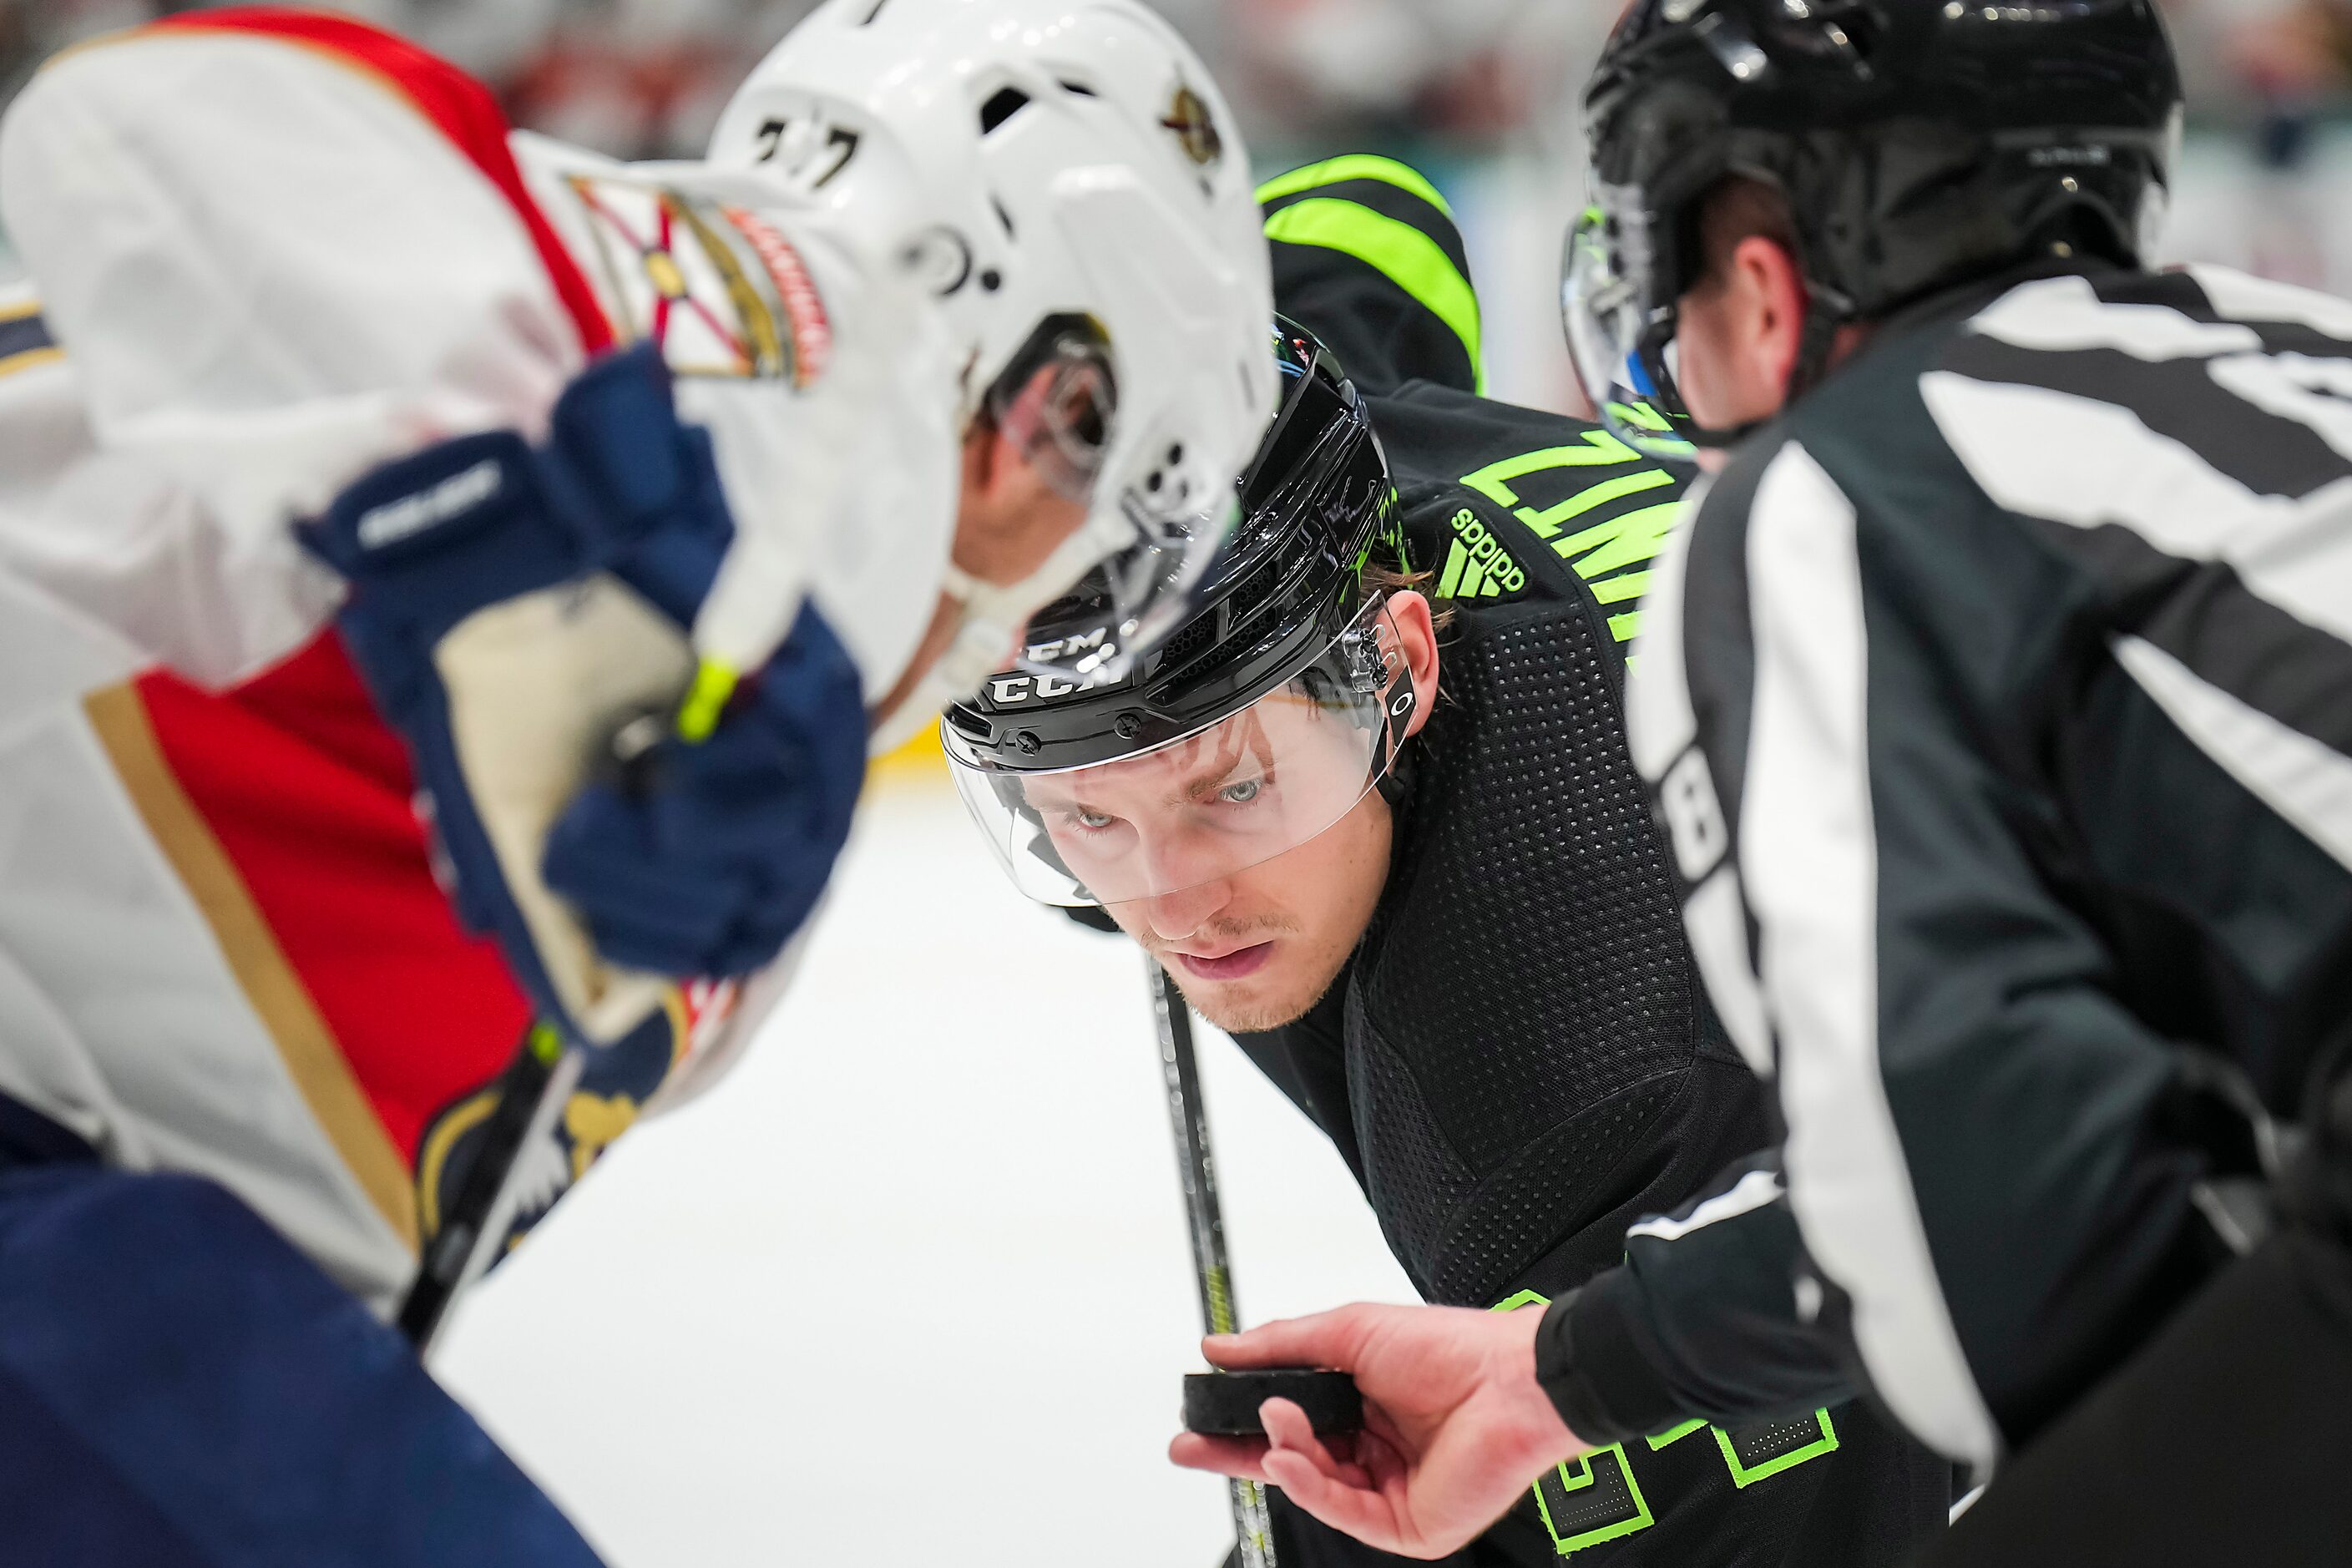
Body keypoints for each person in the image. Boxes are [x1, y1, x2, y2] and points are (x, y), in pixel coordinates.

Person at [0, 3, 1272, 1559]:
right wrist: (551, 580)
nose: (1033, 645)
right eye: (1104, 558)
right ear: (1051, 406)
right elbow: (167, 110)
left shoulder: (757, 570)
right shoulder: (746, 346)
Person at [1174, 3, 2352, 1564]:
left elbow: (1969, 1240)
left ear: (1759, 280)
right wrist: (1554, 1376)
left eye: (1664, 266)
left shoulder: (1839, 496)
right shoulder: (2287, 367)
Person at [943, 159, 1954, 1565]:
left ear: (1399, 669)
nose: (1169, 902)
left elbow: (1816, 1471)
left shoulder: (1564, 1086)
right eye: (1082, 818)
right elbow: (1365, 210)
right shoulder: (1305, 456)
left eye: (1233, 788)